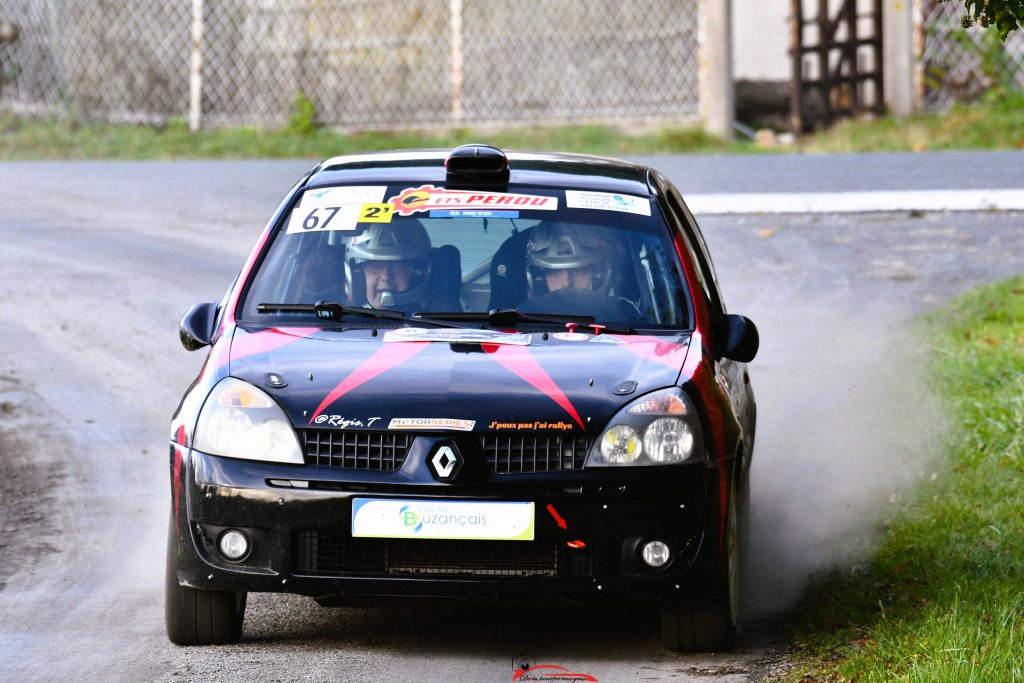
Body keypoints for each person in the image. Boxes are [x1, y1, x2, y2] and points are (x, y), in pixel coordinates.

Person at [346, 223, 432, 309]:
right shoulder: (340, 317)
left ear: (416, 275)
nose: (386, 276)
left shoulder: (434, 320)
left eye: (399, 267)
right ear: (357, 275)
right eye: (376, 267)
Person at [525, 223, 613, 299]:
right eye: (555, 273)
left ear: (598, 276)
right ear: (540, 280)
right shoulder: (521, 317)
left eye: (578, 271)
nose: (567, 283)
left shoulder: (620, 315)